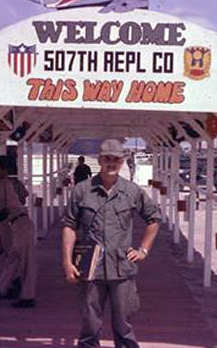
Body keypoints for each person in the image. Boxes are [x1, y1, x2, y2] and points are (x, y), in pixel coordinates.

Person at [62, 139, 161, 348]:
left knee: (123, 325)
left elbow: (153, 219)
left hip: (121, 269)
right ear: (99, 160)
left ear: (123, 162)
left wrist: (143, 250)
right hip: (90, 269)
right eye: (107, 158)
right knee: (89, 324)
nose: (111, 163)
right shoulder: (82, 190)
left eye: (116, 159)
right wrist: (67, 262)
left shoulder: (132, 191)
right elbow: (69, 226)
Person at [0, 157, 37, 308]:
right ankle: (1, 290)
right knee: (13, 259)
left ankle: (28, 296)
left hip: (21, 223)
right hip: (16, 225)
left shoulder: (3, 184)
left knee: (26, 262)